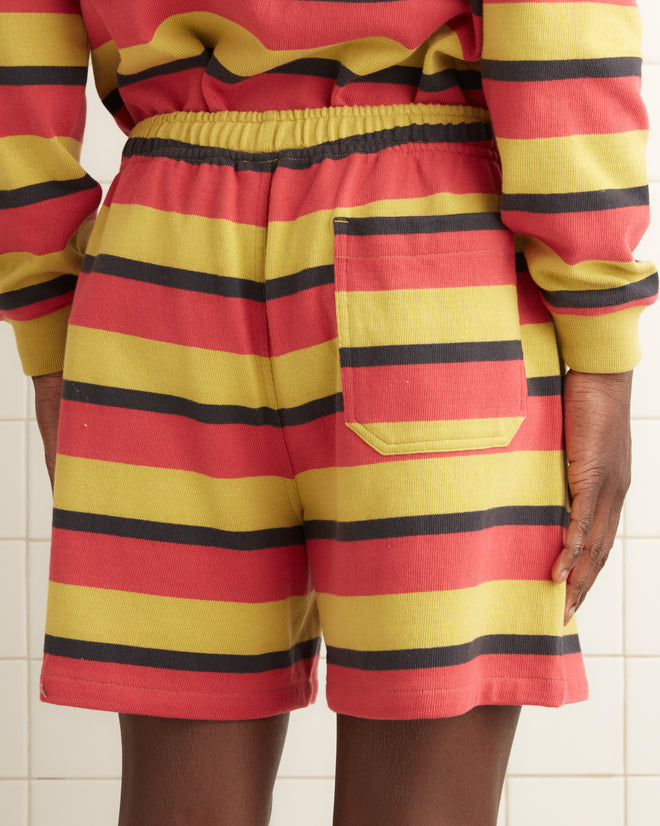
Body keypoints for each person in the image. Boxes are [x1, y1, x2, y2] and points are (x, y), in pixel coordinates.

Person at [1, 1, 657, 824]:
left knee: (178, 805)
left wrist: (47, 324)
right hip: (425, 252)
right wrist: (600, 337)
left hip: (161, 259)